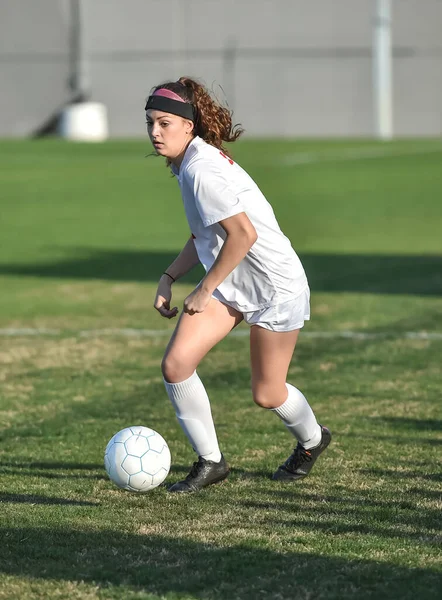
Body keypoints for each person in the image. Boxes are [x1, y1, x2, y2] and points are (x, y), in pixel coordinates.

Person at [146, 77, 331, 493]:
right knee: (176, 366)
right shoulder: (189, 163)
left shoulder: (201, 170)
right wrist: (170, 275)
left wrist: (204, 288)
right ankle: (211, 462)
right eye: (150, 124)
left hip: (274, 287)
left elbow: (243, 235)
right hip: (232, 281)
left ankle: (314, 439)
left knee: (267, 393)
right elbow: (206, 236)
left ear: (188, 126)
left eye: (164, 123)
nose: (155, 133)